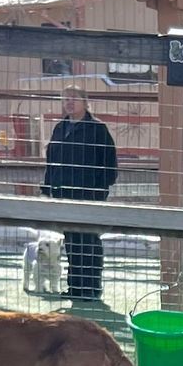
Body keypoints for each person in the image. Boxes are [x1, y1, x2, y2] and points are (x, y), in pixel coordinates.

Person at [42, 86, 119, 302]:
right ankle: (75, 287)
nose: (69, 102)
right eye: (65, 98)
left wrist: (99, 189)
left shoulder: (97, 129)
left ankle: (91, 289)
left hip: (89, 195)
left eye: (74, 98)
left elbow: (109, 164)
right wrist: (49, 187)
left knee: (89, 240)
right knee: (71, 241)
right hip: (64, 195)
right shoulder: (60, 128)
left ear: (85, 102)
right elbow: (51, 161)